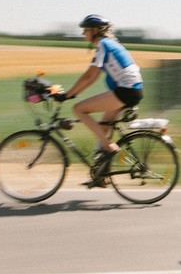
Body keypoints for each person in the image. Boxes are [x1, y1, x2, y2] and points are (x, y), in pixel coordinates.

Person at [55, 14, 144, 184]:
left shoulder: (103, 44)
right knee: (103, 128)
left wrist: (67, 96)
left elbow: (89, 76)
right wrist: (74, 93)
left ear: (95, 31)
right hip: (131, 90)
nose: (83, 34)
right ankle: (102, 175)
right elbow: (93, 77)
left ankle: (110, 147)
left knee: (79, 109)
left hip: (126, 91)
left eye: (86, 30)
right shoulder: (109, 44)